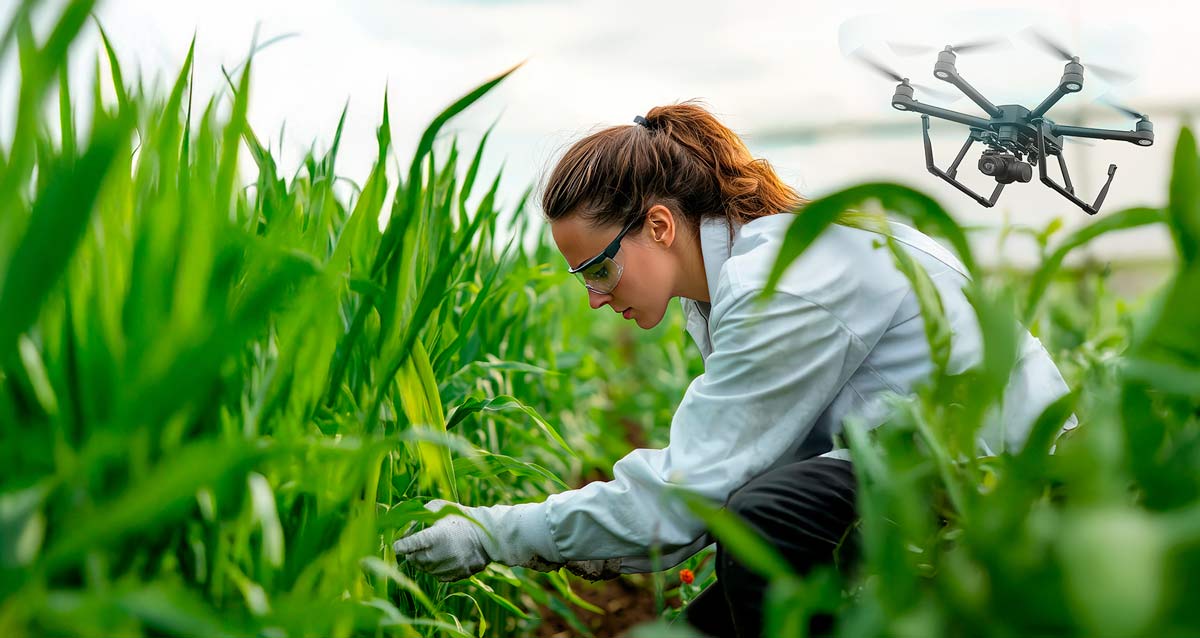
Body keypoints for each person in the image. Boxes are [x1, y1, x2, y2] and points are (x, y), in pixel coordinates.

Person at [392, 101, 1078, 637]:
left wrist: (493, 534)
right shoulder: (736, 283)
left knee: (766, 517)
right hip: (925, 474)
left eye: (600, 266)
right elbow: (717, 485)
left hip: (1011, 485)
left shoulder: (783, 280)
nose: (596, 295)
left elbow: (685, 498)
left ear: (658, 225)